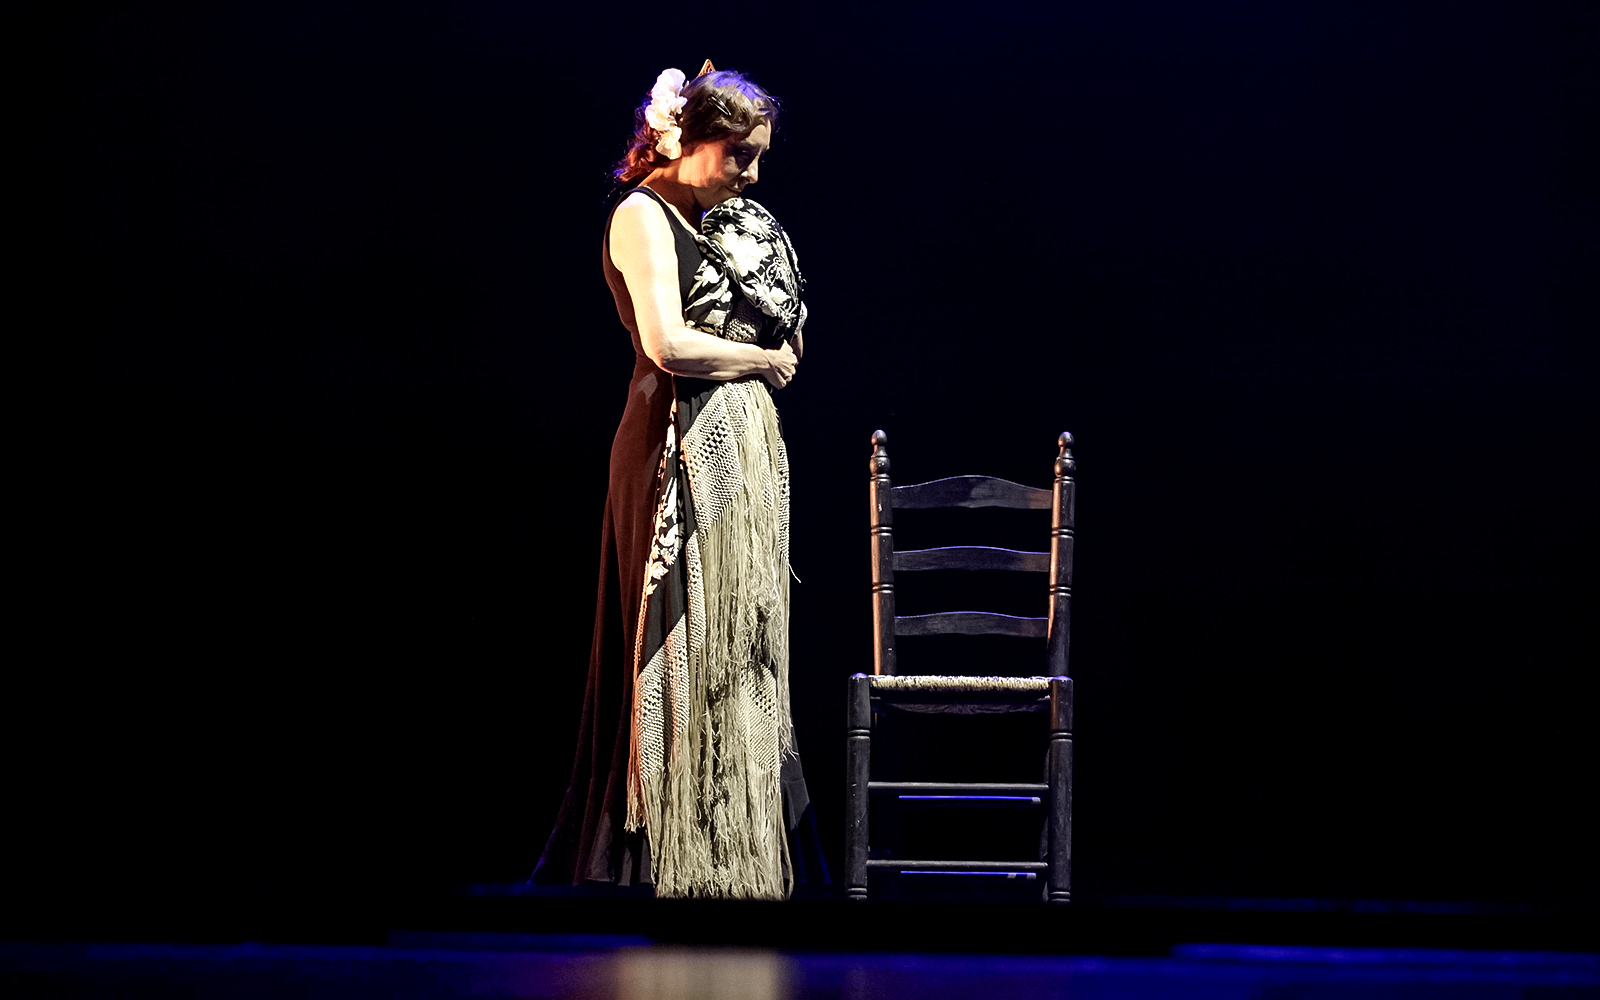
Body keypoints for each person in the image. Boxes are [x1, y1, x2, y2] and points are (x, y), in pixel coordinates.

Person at [533, 63, 816, 900]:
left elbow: (774, 320)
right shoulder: (641, 215)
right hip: (664, 444)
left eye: (758, 157)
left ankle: (729, 849)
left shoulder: (720, 220)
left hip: (731, 456)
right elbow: (668, 344)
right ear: (685, 141)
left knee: (734, 644)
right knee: (675, 636)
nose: (751, 175)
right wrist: (762, 361)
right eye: (739, 155)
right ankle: (654, 855)